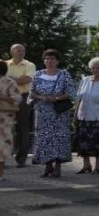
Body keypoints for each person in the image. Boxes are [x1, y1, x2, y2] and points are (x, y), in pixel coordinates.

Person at [29, 49, 75, 178]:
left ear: (57, 61)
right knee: (44, 139)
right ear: (44, 61)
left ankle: (58, 167)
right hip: (43, 113)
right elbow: (31, 92)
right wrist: (42, 97)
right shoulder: (38, 74)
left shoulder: (64, 74)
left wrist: (55, 98)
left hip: (58, 113)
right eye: (47, 59)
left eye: (52, 59)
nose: (49, 61)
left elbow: (71, 93)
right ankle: (48, 166)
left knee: (59, 138)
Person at [74, 58, 99, 174]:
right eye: (93, 68)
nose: (95, 70)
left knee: (98, 142)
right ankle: (86, 165)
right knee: (83, 142)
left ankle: (98, 165)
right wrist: (76, 115)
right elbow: (79, 99)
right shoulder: (85, 80)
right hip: (83, 116)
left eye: (98, 68)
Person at [7, 44, 35, 168]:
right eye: (18, 50)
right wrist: (17, 79)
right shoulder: (4, 64)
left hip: (23, 97)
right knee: (4, 128)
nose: (21, 52)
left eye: (23, 50)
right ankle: (4, 159)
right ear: (11, 52)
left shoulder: (29, 65)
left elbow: (27, 80)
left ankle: (21, 159)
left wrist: (8, 78)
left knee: (22, 128)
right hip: (6, 98)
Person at [0, 62, 21, 180]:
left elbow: (17, 98)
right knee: (2, 146)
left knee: (2, 146)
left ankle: (1, 173)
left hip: (4, 117)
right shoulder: (10, 82)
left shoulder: (8, 82)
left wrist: (2, 97)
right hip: (5, 118)